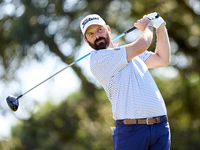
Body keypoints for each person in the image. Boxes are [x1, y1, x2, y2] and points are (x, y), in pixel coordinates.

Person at [80, 12, 171, 150]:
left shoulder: (128, 53)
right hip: (131, 132)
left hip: (160, 127)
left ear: (108, 30)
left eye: (100, 30)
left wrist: (160, 26)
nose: (97, 36)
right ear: (86, 41)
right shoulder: (98, 59)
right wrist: (148, 25)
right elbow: (143, 44)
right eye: (91, 34)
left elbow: (163, 59)